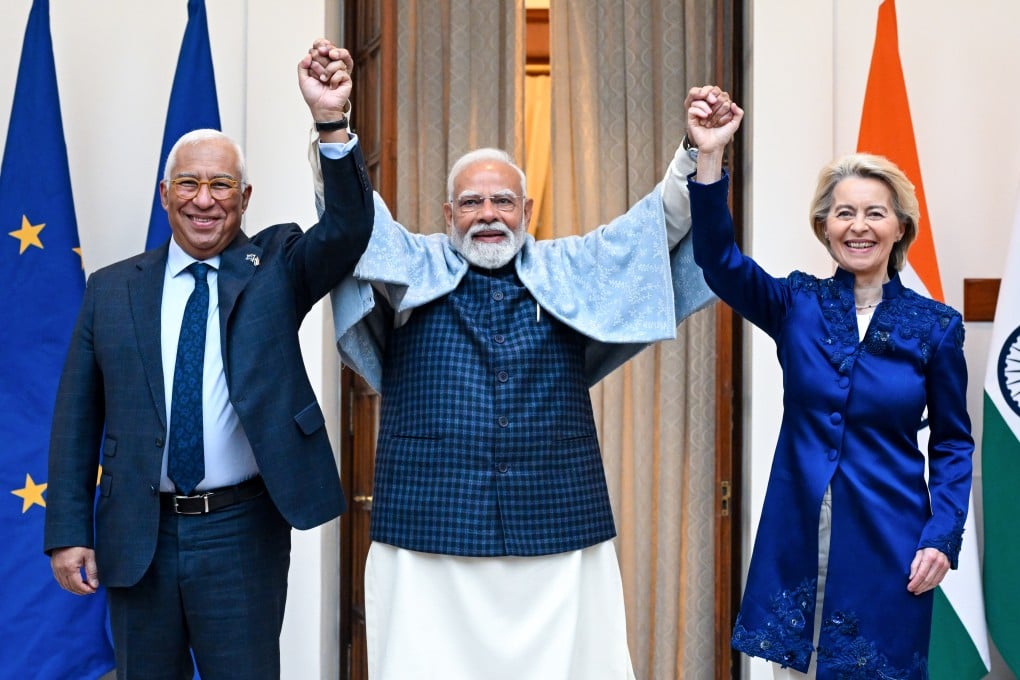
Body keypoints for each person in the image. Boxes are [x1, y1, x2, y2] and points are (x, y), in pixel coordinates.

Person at [310, 40, 730, 680]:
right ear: (448, 214)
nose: (488, 215)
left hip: (555, 520)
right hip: (430, 522)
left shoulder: (570, 266)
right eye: (472, 203)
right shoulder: (411, 262)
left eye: (502, 201)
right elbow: (351, 221)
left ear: (527, 213)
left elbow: (656, 227)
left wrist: (700, 150)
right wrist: (333, 123)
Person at [43, 45, 373, 679]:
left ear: (244, 197)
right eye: (189, 184)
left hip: (242, 529)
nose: (204, 199)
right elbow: (75, 420)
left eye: (221, 184)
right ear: (164, 195)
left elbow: (349, 231)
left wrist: (331, 122)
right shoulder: (111, 290)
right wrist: (65, 529)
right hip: (139, 533)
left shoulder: (278, 265)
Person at [686, 94, 973, 678]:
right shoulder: (796, 303)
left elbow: (952, 443)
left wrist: (942, 537)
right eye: (843, 213)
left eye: (874, 212)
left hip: (891, 540)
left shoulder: (936, 328)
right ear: (823, 228)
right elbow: (717, 260)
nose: (858, 226)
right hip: (797, 535)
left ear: (900, 227)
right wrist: (710, 158)